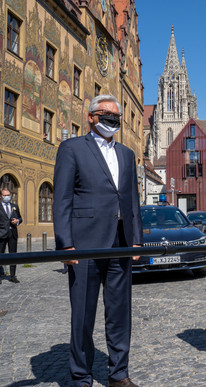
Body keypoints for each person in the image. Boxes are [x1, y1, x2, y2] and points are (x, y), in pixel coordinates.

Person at [53, 95, 143, 387]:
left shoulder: (127, 154)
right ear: (91, 116)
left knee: (120, 313)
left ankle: (118, 374)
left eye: (116, 115)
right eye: (106, 113)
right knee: (83, 315)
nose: (112, 119)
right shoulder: (72, 149)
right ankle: (81, 376)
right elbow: (62, 198)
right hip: (85, 245)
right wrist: (65, 243)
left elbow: (132, 201)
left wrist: (137, 240)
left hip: (121, 243)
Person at [0, 188, 22, 284]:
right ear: (1, 196)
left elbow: (20, 218)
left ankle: (12, 276)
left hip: (13, 234)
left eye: (8, 195)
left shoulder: (14, 206)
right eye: (5, 195)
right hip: (1, 234)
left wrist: (17, 221)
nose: (7, 197)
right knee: (1, 255)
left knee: (13, 255)